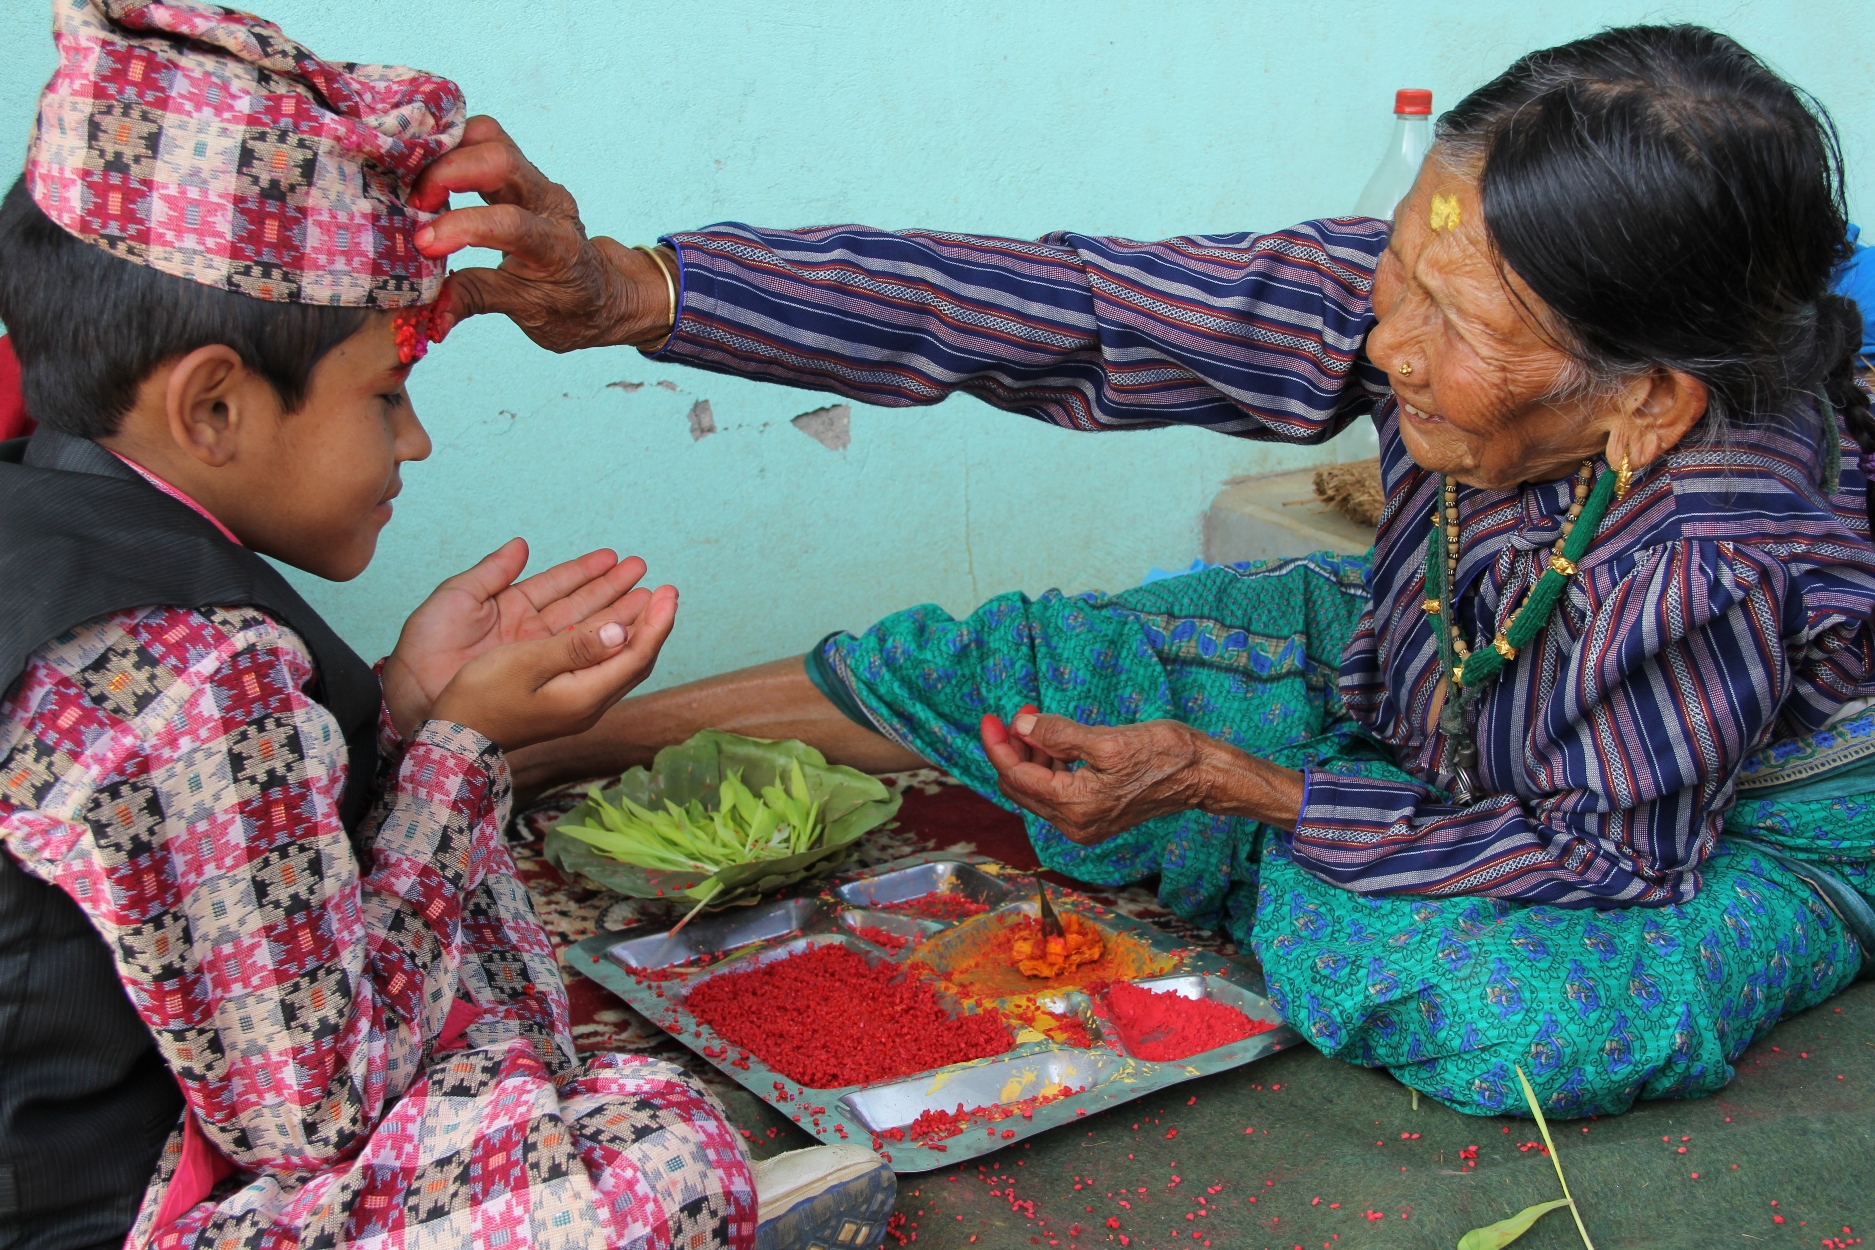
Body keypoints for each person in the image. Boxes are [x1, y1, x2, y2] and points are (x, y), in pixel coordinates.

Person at [416, 24, 1875, 1119]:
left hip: (1688, 830)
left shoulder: (1709, 551)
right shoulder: (1455, 274)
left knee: (1491, 1005)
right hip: (1426, 681)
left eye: (1454, 321)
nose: (1384, 347)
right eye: (1398, 281)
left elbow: (1598, 851)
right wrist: (634, 290)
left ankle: (1266, 843)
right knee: (1022, 662)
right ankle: (504, 737)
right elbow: (1069, 308)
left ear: (1641, 402)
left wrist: (1238, 784)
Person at [0, 4, 892, 1250]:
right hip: (123, 1211)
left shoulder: (44, 512)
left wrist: (411, 704)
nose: (414, 441)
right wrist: (461, 751)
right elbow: (319, 1108)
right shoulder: (186, 674)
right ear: (213, 405)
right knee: (661, 1157)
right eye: (387, 392)